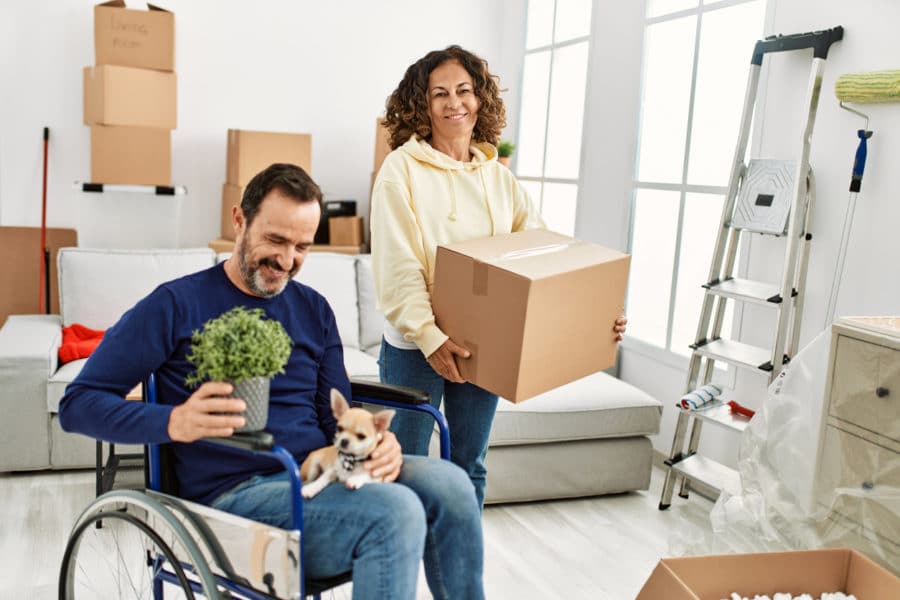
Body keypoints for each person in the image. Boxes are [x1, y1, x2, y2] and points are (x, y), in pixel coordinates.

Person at [58, 163, 484, 600]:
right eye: (276, 240)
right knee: (395, 513)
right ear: (238, 220)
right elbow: (78, 404)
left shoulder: (314, 310)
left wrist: (376, 443)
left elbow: (332, 413)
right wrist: (173, 422)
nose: (287, 260)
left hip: (320, 472)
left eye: (302, 246)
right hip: (230, 498)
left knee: (451, 484)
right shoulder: (174, 304)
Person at [370, 45, 628, 509]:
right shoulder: (400, 171)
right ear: (421, 106)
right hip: (415, 346)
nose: (455, 103)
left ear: (480, 99)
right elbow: (398, 264)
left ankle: (460, 571)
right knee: (403, 465)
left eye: (464, 91)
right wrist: (429, 336)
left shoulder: (499, 178)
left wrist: (595, 316)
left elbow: (544, 259)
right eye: (440, 94)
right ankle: (400, 565)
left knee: (469, 464)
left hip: (480, 344)